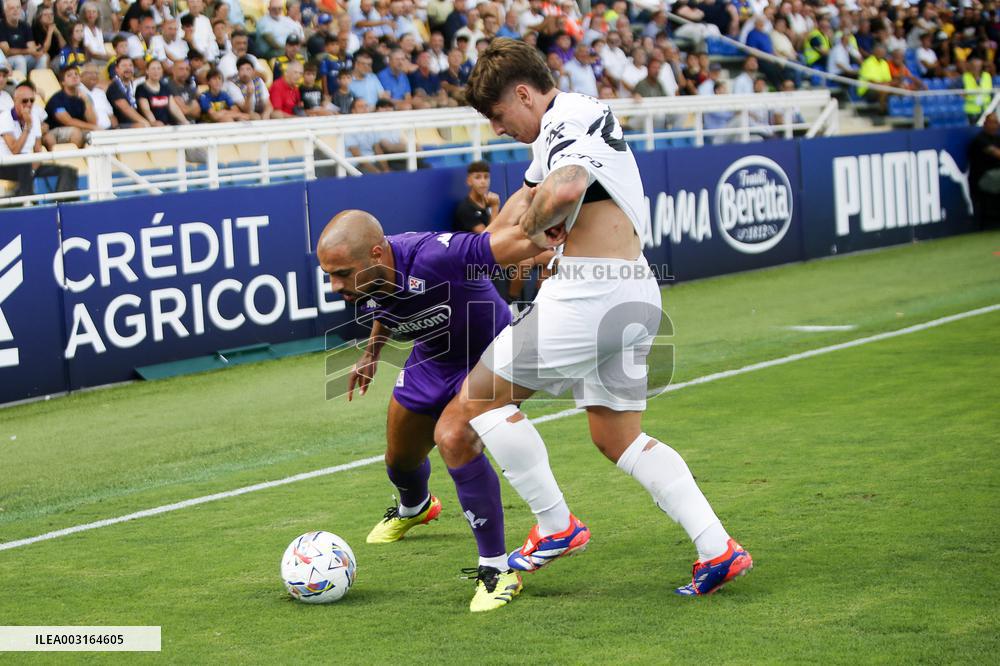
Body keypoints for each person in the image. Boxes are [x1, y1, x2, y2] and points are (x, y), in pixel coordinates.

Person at [434, 38, 752, 596]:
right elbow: (528, 199)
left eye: (498, 114)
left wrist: (537, 230)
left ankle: (557, 526)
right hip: (631, 293)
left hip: (590, 296)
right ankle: (717, 548)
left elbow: (567, 187)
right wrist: (480, 250)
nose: (497, 127)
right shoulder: (558, 129)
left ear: (526, 94)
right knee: (618, 436)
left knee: (474, 405)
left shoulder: (572, 118)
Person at [315, 194, 544, 611]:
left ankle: (496, 567)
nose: (335, 286)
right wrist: (371, 353)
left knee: (454, 439)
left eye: (342, 274)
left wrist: (560, 252)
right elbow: (386, 303)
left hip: (488, 359)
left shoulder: (435, 257)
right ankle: (415, 507)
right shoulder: (367, 278)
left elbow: (509, 245)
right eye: (329, 275)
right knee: (399, 458)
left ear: (377, 253)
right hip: (432, 358)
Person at [0, 80, 76, 197]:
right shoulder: (5, 118)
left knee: (68, 171)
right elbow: (14, 150)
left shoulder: (34, 117)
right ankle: (26, 203)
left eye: (32, 100)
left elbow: (38, 151)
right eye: (25, 101)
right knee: (24, 163)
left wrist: (33, 171)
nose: (29, 104)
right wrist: (27, 128)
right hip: (5, 165)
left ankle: (59, 205)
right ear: (15, 101)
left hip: (27, 166)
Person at [43, 65, 98, 148]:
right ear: (63, 82)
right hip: (55, 131)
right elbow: (68, 121)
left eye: (76, 74)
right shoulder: (57, 99)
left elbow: (93, 121)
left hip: (79, 129)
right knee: (76, 133)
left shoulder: (83, 97)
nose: (74, 76)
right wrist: (93, 127)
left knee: (99, 135)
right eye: (69, 75)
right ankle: (75, 159)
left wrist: (86, 101)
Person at [136, 58, 188, 125]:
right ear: (147, 71)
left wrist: (185, 121)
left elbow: (174, 108)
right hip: (152, 126)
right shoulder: (141, 88)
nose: (156, 71)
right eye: (153, 69)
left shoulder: (165, 87)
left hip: (167, 124)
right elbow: (146, 110)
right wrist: (154, 122)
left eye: (158, 68)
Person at [454, 160, 499, 233]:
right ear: (469, 181)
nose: (483, 181)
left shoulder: (490, 202)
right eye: (478, 177)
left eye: (486, 177)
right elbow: (487, 238)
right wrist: (495, 207)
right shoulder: (465, 208)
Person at [1, 0, 42, 76]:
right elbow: (7, 52)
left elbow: (32, 48)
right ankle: (21, 85)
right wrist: (29, 51)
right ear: (5, 11)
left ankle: (40, 84)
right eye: (12, 8)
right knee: (20, 59)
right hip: (6, 61)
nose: (15, 10)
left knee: (43, 57)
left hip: (23, 57)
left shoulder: (25, 26)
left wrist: (36, 50)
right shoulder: (1, 26)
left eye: (18, 8)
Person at [106, 57, 150, 128]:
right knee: (142, 126)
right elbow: (126, 108)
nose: (128, 68)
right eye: (124, 66)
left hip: (139, 122)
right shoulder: (114, 87)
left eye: (130, 65)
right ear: (117, 69)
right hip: (121, 125)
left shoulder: (135, 85)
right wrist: (145, 122)